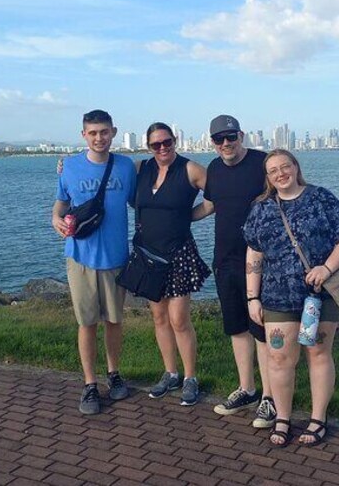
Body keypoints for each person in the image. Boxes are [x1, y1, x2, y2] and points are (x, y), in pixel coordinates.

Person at [243, 149, 339, 447]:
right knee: (279, 357)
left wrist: (327, 267)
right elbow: (254, 253)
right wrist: (252, 297)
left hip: (319, 295)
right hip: (277, 297)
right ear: (267, 177)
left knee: (318, 354)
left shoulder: (321, 198)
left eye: (285, 166)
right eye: (273, 170)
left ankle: (318, 419)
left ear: (296, 167)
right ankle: (283, 417)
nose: (281, 173)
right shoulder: (261, 209)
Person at [192, 115, 275, 428]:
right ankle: (247, 389)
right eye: (219, 139)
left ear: (241, 135)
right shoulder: (213, 168)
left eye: (231, 137)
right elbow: (210, 205)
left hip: (261, 263)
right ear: (212, 141)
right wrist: (177, 217)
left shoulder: (262, 163)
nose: (226, 144)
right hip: (224, 260)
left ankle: (270, 397)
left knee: (262, 329)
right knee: (237, 328)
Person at [52, 110, 137, 415]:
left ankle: (114, 373)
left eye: (104, 132)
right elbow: (61, 202)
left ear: (114, 132)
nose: (99, 138)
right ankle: (89, 383)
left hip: (116, 258)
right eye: (93, 133)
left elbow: (141, 199)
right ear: (83, 135)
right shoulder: (70, 167)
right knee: (86, 323)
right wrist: (54, 219)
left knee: (114, 321)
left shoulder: (126, 167)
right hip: (81, 258)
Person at [135, 122, 210, 406]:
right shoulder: (141, 169)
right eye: (156, 145)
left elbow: (215, 196)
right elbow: (107, 173)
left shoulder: (190, 169)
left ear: (175, 141)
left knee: (179, 319)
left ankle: (190, 376)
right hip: (148, 253)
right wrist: (66, 169)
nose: (163, 148)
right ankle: (170, 372)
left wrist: (189, 216)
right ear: (148, 147)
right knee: (159, 317)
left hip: (178, 252)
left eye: (167, 142)